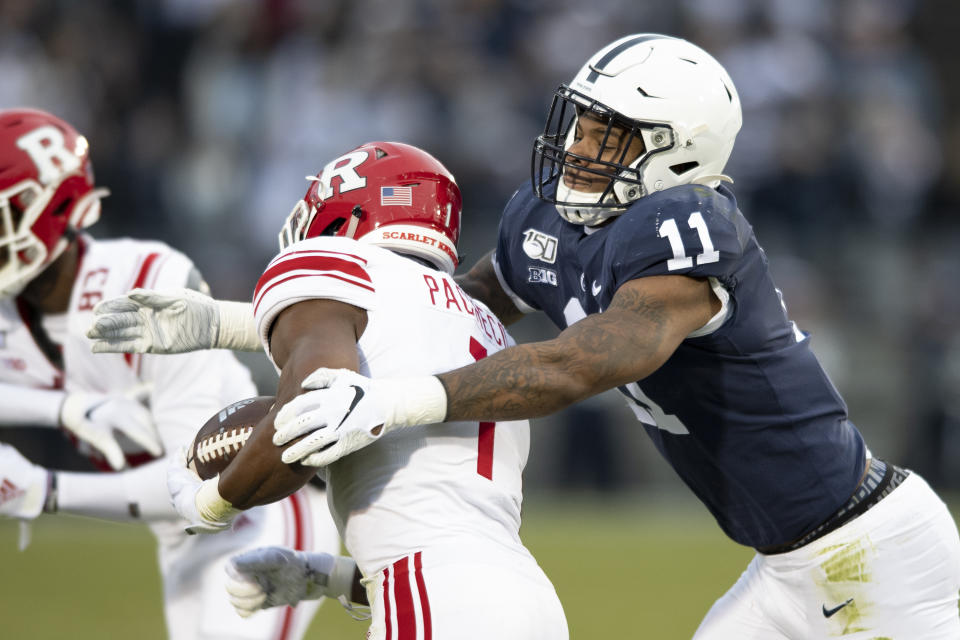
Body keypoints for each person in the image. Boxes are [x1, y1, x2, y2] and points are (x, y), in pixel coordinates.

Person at [85, 36, 960, 638]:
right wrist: (231, 321)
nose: (581, 148)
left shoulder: (693, 227)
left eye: (613, 135)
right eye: (581, 123)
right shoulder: (546, 219)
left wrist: (397, 401)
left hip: (871, 552)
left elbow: (594, 357)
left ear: (681, 155)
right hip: (782, 569)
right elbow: (435, 313)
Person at [104, 141, 569, 639]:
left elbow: (308, 422)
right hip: (526, 599)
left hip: (434, 598)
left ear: (342, 219)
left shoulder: (332, 266)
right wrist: (331, 576)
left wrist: (212, 501)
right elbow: (452, 539)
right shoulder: (481, 325)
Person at [0, 108, 339, 640]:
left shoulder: (142, 282)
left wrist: (44, 489)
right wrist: (60, 408)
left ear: (52, 205)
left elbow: (201, 480)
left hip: (258, 506)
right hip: (178, 535)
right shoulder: (9, 312)